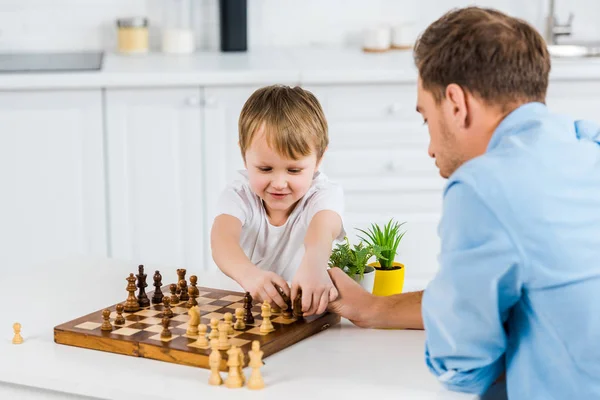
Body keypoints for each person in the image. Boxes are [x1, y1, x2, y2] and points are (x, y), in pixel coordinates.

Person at [327, 6, 600, 399]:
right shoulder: (587, 142)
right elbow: (503, 293)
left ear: (456, 104)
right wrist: (375, 309)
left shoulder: (483, 187)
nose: (430, 148)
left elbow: (465, 368)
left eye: (427, 118)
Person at [211, 84, 345, 317]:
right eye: (265, 168)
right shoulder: (239, 195)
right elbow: (222, 239)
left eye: (293, 170)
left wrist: (314, 264)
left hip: (300, 316)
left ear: (319, 159)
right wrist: (249, 275)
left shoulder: (323, 194)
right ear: (244, 155)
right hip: (245, 313)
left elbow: (322, 230)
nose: (279, 183)